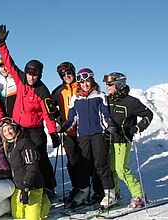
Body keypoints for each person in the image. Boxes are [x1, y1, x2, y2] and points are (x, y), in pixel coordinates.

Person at [0, 24, 60, 196]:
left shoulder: (42, 91)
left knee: (39, 158)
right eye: (30, 74)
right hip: (19, 128)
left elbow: (48, 114)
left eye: (35, 75)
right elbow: (9, 63)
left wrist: (53, 133)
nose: (32, 77)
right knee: (20, 158)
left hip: (35, 131)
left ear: (40, 75)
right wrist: (2, 44)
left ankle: (48, 187)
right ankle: (23, 185)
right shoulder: (21, 79)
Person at [59, 68, 116, 209]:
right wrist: (63, 127)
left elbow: (105, 115)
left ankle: (110, 194)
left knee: (101, 165)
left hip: (99, 134)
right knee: (83, 166)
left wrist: (110, 126)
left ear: (92, 81)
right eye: (82, 82)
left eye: (87, 81)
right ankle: (84, 192)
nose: (85, 84)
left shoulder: (100, 96)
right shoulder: (75, 99)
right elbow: (72, 119)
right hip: (83, 136)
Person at [51, 62, 104, 204]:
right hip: (68, 132)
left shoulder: (81, 86)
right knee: (73, 163)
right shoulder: (58, 91)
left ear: (73, 72)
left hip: (84, 131)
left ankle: (98, 191)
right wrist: (56, 116)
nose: (66, 76)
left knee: (90, 162)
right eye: (63, 74)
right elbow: (50, 106)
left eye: (69, 73)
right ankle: (78, 189)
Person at [104, 72, 153, 208]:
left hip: (123, 140)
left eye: (110, 84)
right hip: (110, 139)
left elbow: (148, 115)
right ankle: (115, 193)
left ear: (119, 85)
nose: (107, 86)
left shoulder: (131, 102)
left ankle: (139, 195)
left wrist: (137, 128)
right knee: (111, 169)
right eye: (107, 84)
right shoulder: (107, 100)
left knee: (121, 170)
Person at [0, 117, 50, 220]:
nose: (7, 132)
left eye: (10, 129)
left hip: (32, 186)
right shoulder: (8, 146)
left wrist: (26, 186)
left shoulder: (25, 143)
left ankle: (45, 201)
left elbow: (33, 167)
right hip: (18, 187)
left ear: (15, 128)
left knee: (32, 218)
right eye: (4, 130)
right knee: (17, 215)